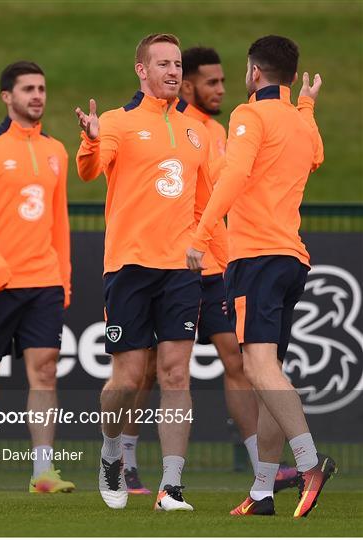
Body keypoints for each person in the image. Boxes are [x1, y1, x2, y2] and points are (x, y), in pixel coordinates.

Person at [121, 45, 298, 495]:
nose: (218, 88)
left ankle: (264, 466)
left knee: (239, 361)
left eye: (224, 80)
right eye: (210, 81)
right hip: (172, 261)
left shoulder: (221, 128)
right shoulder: (174, 128)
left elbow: (225, 192)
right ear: (188, 85)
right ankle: (124, 457)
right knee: (146, 370)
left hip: (214, 264)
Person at [186, 35, 336, 518]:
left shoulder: (248, 116)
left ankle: (309, 463)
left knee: (258, 367)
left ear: (254, 74)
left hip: (257, 257)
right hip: (293, 260)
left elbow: (232, 176)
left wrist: (202, 233)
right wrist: (307, 106)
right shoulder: (298, 119)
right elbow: (315, 155)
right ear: (292, 77)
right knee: (271, 372)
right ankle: (264, 490)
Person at [75, 33, 226, 511]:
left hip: (181, 267)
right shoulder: (118, 122)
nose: (174, 72)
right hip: (129, 265)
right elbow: (90, 169)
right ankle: (110, 453)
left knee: (177, 373)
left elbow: (207, 203)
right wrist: (91, 139)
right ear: (141, 69)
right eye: (163, 64)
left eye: (178, 64)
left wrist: (217, 254)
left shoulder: (195, 131)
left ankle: (171, 487)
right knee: (128, 377)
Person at [0, 61, 74, 494]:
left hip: (41, 279)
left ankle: (43, 470)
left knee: (44, 372)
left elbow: (59, 221)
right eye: (28, 89)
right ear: (7, 97)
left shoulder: (56, 150)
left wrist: (63, 277)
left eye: (42, 88)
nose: (37, 95)